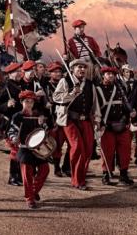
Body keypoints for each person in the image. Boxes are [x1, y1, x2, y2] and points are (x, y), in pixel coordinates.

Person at [53, 59, 101, 190]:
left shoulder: (90, 84)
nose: (82, 70)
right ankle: (77, 181)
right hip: (69, 119)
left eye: (84, 68)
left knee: (88, 149)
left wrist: (97, 119)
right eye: (79, 67)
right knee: (77, 147)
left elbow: (94, 103)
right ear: (73, 68)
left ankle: (81, 178)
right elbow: (55, 97)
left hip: (85, 120)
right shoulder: (65, 81)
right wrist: (71, 94)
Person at [7, 90, 50, 209]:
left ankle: (34, 191)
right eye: (26, 102)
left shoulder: (37, 114)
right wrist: (15, 137)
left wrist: (43, 124)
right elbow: (11, 131)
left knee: (45, 170)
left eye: (31, 102)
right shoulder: (17, 116)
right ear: (22, 102)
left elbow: (45, 130)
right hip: (25, 149)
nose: (29, 104)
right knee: (27, 176)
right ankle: (30, 199)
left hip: (38, 149)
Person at [96, 67, 134, 186]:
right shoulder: (98, 89)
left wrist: (126, 119)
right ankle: (106, 174)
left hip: (121, 124)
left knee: (125, 151)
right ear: (103, 75)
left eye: (112, 74)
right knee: (107, 151)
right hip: (107, 125)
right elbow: (96, 109)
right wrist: (100, 124)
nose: (111, 76)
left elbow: (125, 106)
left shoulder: (120, 88)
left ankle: (123, 174)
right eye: (108, 74)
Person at [0, 62, 24, 186]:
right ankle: (13, 177)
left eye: (20, 71)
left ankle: (20, 175)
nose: (19, 73)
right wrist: (6, 105)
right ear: (9, 74)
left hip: (23, 122)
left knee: (22, 149)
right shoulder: (5, 87)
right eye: (16, 71)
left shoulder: (22, 85)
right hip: (10, 123)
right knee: (14, 149)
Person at [47, 61, 70, 177]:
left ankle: (67, 167)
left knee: (70, 144)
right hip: (53, 118)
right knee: (56, 145)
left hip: (66, 117)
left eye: (60, 71)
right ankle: (57, 168)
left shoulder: (66, 83)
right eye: (55, 72)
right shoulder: (46, 85)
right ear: (50, 73)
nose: (58, 74)